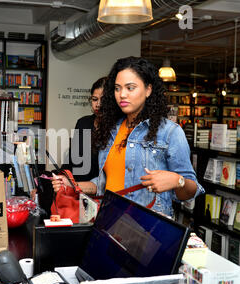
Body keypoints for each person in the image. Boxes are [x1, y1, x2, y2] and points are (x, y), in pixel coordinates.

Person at [53, 56, 204, 217]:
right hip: (110, 220)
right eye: (117, 88)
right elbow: (105, 183)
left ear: (148, 90)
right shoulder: (112, 129)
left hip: (147, 227)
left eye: (130, 88)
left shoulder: (170, 132)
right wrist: (73, 185)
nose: (122, 95)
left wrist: (177, 181)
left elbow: (190, 191)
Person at [63, 77, 106, 181]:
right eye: (94, 99)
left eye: (103, 100)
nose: (98, 104)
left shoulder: (118, 126)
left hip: (99, 191)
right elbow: (72, 158)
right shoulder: (83, 123)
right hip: (77, 189)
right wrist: (61, 176)